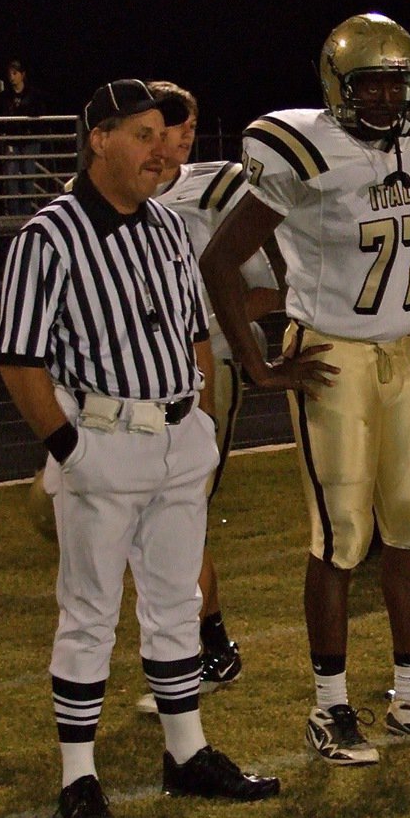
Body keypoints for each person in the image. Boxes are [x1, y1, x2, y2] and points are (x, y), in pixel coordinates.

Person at [199, 13, 410, 766]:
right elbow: (222, 260)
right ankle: (329, 709)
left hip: (403, 352)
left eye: (397, 82)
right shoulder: (302, 146)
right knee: (341, 538)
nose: (387, 98)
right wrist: (259, 362)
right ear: (338, 87)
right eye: (370, 84)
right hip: (332, 353)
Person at [0, 79, 279, 818]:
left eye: (165, 133)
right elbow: (19, 359)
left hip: (178, 435)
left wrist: (202, 425)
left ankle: (186, 755)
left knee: (176, 603)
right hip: (105, 439)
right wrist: (69, 450)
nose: (163, 150)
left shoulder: (162, 226)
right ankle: (78, 778)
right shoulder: (46, 237)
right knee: (88, 614)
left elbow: (192, 329)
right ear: (100, 140)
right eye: (144, 135)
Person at [125, 80, 288, 714]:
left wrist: (207, 322)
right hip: (128, 381)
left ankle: (203, 651)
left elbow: (277, 285)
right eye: (168, 124)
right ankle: (206, 646)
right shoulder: (100, 200)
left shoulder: (217, 186)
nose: (181, 136)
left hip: (203, 366)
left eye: (187, 125)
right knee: (154, 518)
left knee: (177, 513)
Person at [0, 58, 47, 215]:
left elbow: (40, 115)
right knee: (11, 179)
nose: (11, 77)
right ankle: (15, 214)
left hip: (29, 141)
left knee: (27, 179)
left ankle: (26, 214)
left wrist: (28, 125)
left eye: (15, 73)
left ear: (22, 75)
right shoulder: (4, 97)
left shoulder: (34, 95)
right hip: (11, 140)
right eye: (10, 73)